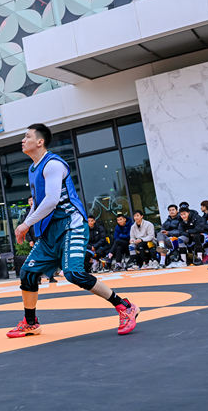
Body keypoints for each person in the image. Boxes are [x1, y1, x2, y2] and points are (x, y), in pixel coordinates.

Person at [8, 123, 139, 338]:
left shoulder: (53, 164)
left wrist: (26, 224)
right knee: (27, 273)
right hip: (50, 232)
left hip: (71, 225)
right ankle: (30, 323)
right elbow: (38, 202)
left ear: (40, 141)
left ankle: (125, 306)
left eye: (27, 136)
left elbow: (51, 200)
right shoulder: (33, 169)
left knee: (74, 273)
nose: (23, 140)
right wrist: (27, 223)